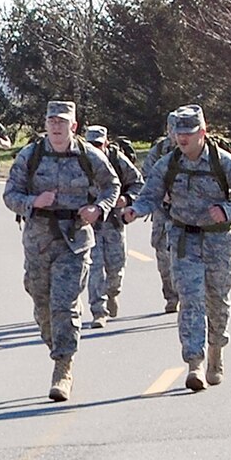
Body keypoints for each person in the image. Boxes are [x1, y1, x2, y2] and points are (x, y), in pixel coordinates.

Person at [123, 104, 231, 391]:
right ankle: (194, 362)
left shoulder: (223, 162)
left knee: (217, 301)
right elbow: (150, 195)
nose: (182, 138)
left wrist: (227, 210)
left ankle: (216, 350)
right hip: (184, 239)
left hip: (218, 241)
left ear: (202, 132)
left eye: (189, 132)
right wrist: (135, 210)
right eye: (179, 132)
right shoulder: (168, 164)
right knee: (190, 299)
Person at [3, 101, 120, 402]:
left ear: (74, 126)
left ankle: (63, 367)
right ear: (45, 124)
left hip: (75, 240)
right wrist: (32, 202)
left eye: (62, 122)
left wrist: (99, 208)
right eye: (52, 121)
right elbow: (10, 195)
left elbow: (112, 186)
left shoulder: (89, 156)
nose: (56, 126)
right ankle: (56, 346)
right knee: (42, 304)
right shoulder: (30, 156)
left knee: (64, 305)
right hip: (38, 241)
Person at [83, 125, 144, 328]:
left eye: (98, 144)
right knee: (94, 267)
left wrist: (126, 199)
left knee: (116, 267)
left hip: (114, 221)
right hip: (90, 223)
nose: (95, 149)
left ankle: (112, 293)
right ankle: (98, 311)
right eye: (91, 145)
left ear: (106, 143)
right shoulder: (80, 160)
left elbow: (138, 183)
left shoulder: (117, 160)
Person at [142, 112, 180, 313]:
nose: (177, 133)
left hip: (191, 214)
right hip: (163, 213)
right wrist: (161, 193)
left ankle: (190, 296)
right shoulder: (159, 151)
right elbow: (146, 176)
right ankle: (171, 297)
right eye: (173, 129)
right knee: (164, 257)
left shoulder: (198, 149)